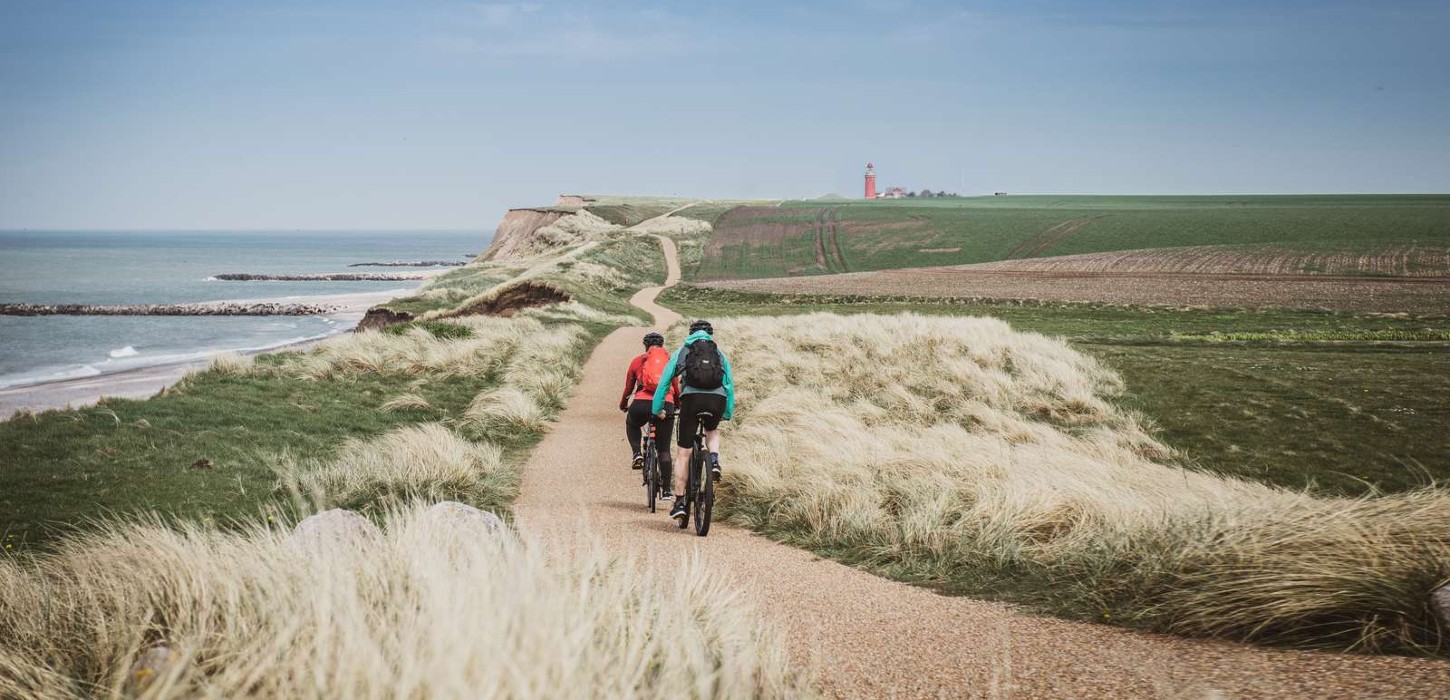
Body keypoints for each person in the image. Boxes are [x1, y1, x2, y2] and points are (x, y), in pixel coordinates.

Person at [651, 319, 735, 524]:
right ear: (710, 334)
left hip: (691, 400)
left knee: (683, 453)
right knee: (712, 429)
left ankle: (680, 502)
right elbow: (729, 385)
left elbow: (663, 383)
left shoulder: (683, 351)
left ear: (691, 333)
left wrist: (657, 410)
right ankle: (714, 460)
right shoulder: (719, 354)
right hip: (717, 400)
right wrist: (727, 412)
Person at [620, 331, 679, 499]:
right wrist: (677, 405)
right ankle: (667, 490)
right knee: (664, 449)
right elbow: (676, 387)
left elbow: (628, 388)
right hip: (664, 404)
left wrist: (623, 404)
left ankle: (637, 453)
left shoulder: (638, 361)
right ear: (662, 345)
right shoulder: (668, 362)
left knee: (632, 423)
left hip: (641, 403)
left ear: (646, 346)